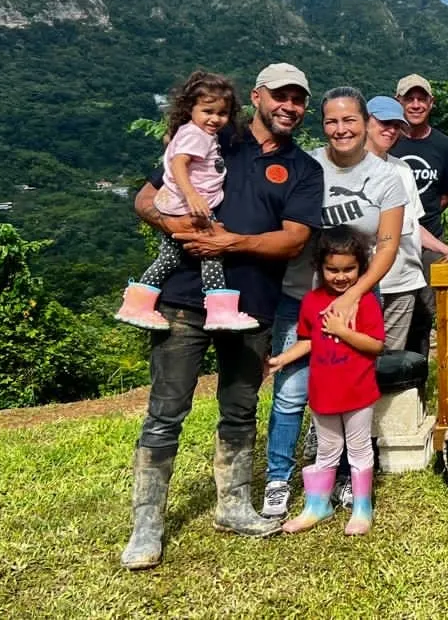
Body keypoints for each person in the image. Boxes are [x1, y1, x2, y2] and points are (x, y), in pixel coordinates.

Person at [120, 62, 324, 570]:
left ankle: (233, 505)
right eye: (280, 96)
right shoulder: (212, 134)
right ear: (256, 97)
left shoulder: (303, 168)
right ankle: (147, 524)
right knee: (167, 411)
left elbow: (296, 238)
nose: (289, 107)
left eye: (298, 99)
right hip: (183, 301)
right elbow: (146, 197)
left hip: (251, 307)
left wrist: (233, 241)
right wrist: (178, 223)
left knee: (239, 408)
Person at [263, 87, 407, 519]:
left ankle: (347, 476)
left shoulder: (385, 177)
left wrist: (355, 296)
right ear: (322, 125)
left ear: (366, 124)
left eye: (349, 120)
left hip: (358, 298)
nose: (340, 129)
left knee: (351, 384)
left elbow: (386, 245)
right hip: (298, 296)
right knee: (291, 390)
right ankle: (277, 478)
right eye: (331, 121)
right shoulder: (305, 166)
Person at [115, 70, 255, 332]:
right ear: (191, 108)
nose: (215, 119)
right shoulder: (197, 135)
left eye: (222, 114)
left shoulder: (189, 130)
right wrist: (193, 195)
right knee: (212, 253)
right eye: (208, 111)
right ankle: (219, 312)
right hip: (190, 206)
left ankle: (137, 304)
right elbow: (180, 163)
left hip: (174, 203)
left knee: (168, 258)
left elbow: (174, 148)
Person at [268, 228, 386, 535]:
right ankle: (318, 505)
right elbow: (309, 339)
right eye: (332, 269)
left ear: (361, 267)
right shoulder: (310, 302)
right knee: (327, 450)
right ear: (320, 267)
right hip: (323, 394)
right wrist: (282, 358)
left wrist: (343, 330)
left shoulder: (367, 303)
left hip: (358, 393)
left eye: (349, 269)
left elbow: (376, 345)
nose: (341, 276)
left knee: (359, 450)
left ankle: (362, 508)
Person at [365, 96, 448, 352]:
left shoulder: (402, 169)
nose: (390, 130)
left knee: (394, 360)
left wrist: (447, 250)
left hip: (404, 280)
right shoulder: (348, 167)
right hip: (366, 281)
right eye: (383, 122)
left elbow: (412, 223)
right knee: (360, 356)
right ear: (365, 122)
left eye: (395, 124)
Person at [389, 73, 448, 359]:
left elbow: (446, 194)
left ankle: (416, 375)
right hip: (392, 241)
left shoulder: (443, 146)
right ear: (399, 102)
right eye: (410, 98)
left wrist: (421, 221)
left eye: (422, 99)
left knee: (426, 313)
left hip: (430, 236)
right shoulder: (389, 140)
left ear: (431, 103)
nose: (416, 104)